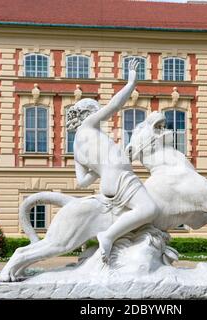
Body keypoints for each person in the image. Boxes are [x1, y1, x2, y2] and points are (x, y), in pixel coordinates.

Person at [66, 59, 160, 263]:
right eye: (96, 111)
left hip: (107, 184)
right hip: (121, 178)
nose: (100, 115)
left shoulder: (76, 147)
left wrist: (99, 167)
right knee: (149, 209)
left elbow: (82, 182)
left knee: (140, 211)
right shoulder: (88, 126)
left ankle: (120, 240)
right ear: (89, 114)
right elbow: (115, 104)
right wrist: (131, 82)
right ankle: (108, 236)